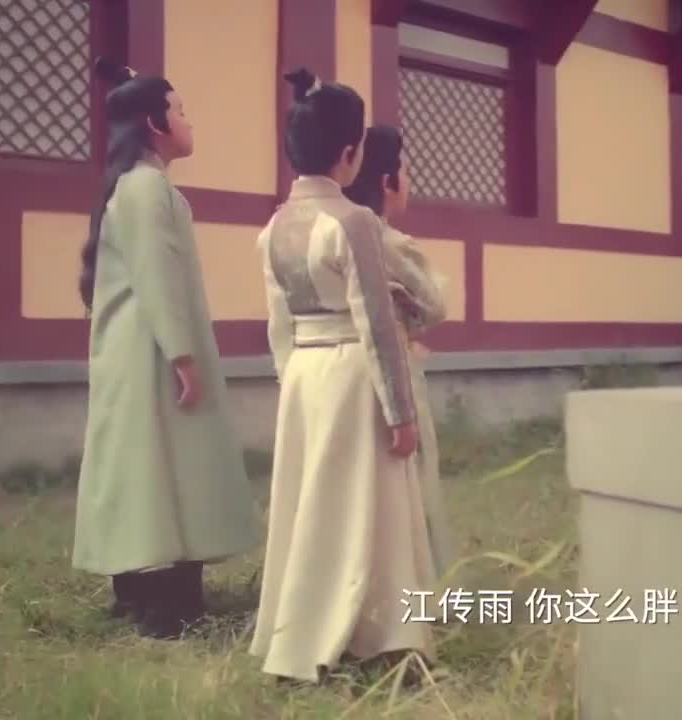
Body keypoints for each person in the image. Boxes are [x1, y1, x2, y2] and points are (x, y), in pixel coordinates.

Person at [248, 69, 434, 685]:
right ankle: (379, 634)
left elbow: (278, 322)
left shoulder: (274, 227)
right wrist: (401, 413)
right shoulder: (353, 222)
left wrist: (291, 385)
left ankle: (301, 631)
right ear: (349, 153)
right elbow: (376, 322)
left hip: (304, 372)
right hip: (354, 372)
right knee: (370, 510)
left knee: (312, 509)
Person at [72, 57, 260, 640]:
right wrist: (183, 355)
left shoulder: (132, 187)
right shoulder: (148, 189)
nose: (188, 119)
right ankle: (166, 601)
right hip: (151, 352)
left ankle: (138, 589)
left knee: (138, 470)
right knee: (168, 470)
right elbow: (157, 276)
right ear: (155, 124)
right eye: (180, 110)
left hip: (135, 347)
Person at [342, 124, 455, 580]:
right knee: (409, 472)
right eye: (404, 172)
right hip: (392, 367)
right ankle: (412, 574)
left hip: (340, 371)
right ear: (388, 181)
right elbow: (434, 306)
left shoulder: (334, 232)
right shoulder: (389, 243)